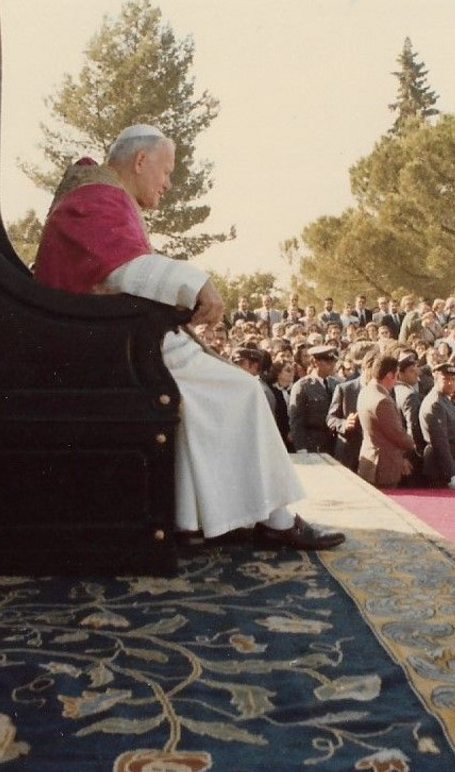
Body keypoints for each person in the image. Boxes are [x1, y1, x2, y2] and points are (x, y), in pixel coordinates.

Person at [32, 126, 343, 550]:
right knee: (242, 390)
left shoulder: (101, 194)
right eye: (167, 170)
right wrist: (196, 283)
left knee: (217, 393)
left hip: (106, 340)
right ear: (140, 162)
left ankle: (194, 520)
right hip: (103, 349)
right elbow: (121, 269)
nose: (169, 182)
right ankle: (277, 520)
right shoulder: (96, 197)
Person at [357, 354, 417, 489]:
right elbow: (396, 434)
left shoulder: (365, 392)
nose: (396, 381)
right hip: (383, 466)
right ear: (389, 376)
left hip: (370, 461)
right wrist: (413, 444)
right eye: (396, 376)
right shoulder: (382, 400)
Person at [418, 362, 455, 489]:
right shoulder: (436, 403)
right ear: (435, 379)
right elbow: (440, 442)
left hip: (449, 463)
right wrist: (452, 472)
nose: (450, 383)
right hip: (441, 468)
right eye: (445, 379)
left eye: (453, 379)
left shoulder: (444, 399)